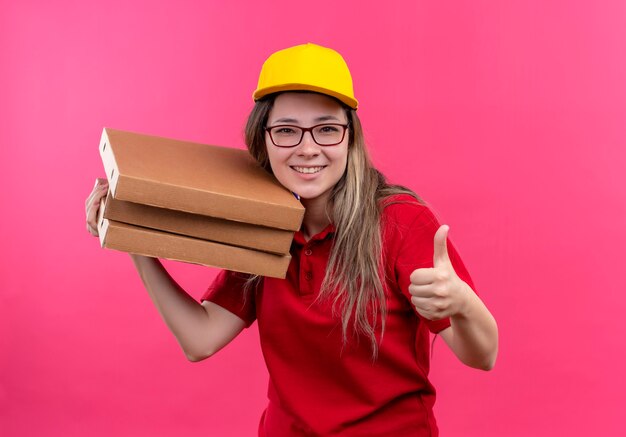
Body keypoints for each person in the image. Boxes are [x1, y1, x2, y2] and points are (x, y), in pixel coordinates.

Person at [85, 43, 498, 436]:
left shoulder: (400, 223)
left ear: (349, 137)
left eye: (326, 129)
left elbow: (482, 355)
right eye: (286, 130)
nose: (307, 148)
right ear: (263, 139)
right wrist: (129, 232)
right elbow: (200, 339)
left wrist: (462, 304)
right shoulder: (261, 224)